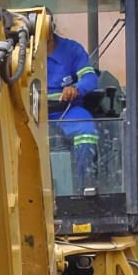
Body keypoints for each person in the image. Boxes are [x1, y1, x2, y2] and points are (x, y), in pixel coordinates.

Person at [46, 28, 101, 192]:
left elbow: (90, 78)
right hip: (27, 112)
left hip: (67, 110)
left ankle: (85, 189)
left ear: (50, 28)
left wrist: (76, 88)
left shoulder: (71, 49)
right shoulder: (17, 52)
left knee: (86, 130)